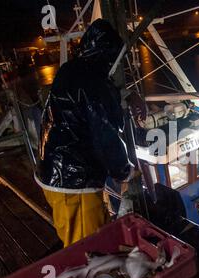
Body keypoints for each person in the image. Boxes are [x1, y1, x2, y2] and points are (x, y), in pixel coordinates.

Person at [35, 19, 132, 247]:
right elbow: (105, 133)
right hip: (73, 182)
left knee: (82, 241)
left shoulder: (72, 70)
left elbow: (86, 104)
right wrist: (123, 172)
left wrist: (126, 94)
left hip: (56, 175)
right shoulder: (94, 82)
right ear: (107, 54)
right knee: (87, 249)